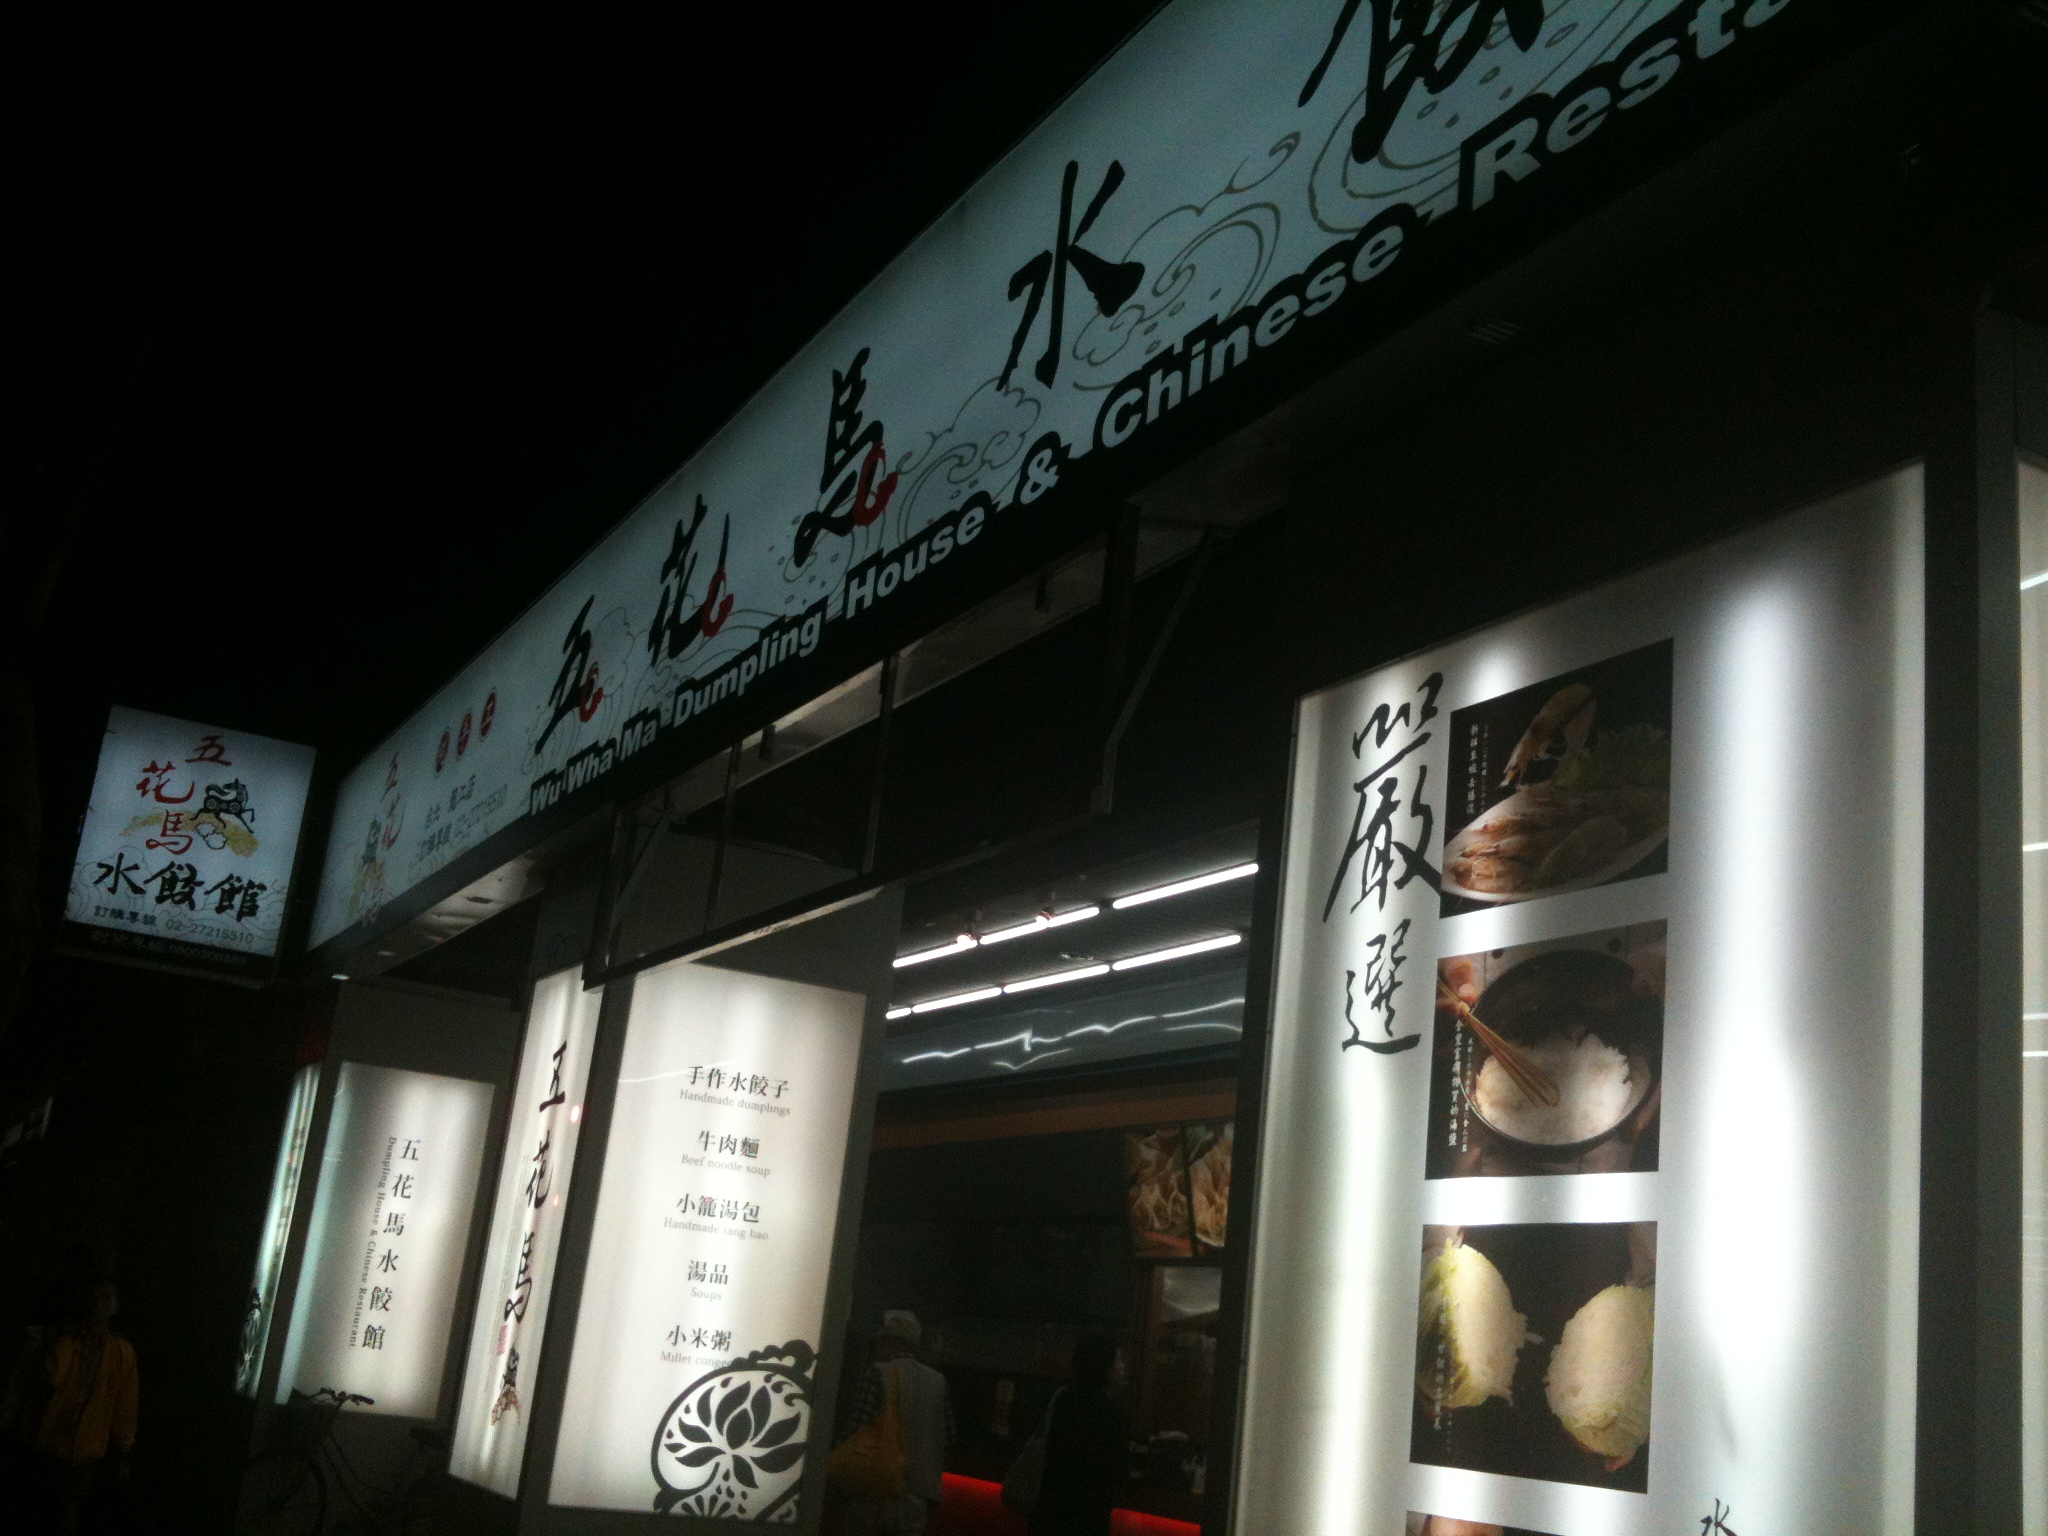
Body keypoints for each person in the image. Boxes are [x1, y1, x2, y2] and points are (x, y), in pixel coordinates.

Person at [9, 1268, 137, 1532]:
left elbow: (125, 1404)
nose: (103, 1301)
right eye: (96, 1295)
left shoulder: (121, 1352)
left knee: (63, 1513)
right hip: (46, 1447)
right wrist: (61, 1340)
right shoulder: (65, 1341)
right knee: (35, 1511)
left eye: (108, 1295)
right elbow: (49, 1377)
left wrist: (122, 1451)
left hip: (84, 1454)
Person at [833, 1310, 951, 1535]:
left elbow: (856, 1430)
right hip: (917, 1498)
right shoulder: (939, 1382)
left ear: (889, 1343)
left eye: (880, 1343)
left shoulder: (878, 1373)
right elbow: (948, 1440)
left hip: (873, 1492)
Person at [1028, 1334, 1129, 1536]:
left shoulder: (1062, 1399)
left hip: (1050, 1512)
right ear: (1105, 1368)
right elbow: (1115, 1471)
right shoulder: (1112, 1412)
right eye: (1118, 1360)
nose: (1123, 1366)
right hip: (1088, 1518)